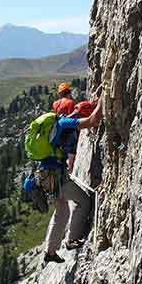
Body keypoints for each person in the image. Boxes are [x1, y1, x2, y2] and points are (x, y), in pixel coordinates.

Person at [43, 100, 103, 264]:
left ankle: (50, 251)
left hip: (45, 177)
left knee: (61, 212)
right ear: (82, 114)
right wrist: (102, 101)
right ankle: (72, 240)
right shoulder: (66, 123)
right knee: (83, 201)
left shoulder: (56, 125)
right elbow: (93, 120)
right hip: (57, 178)